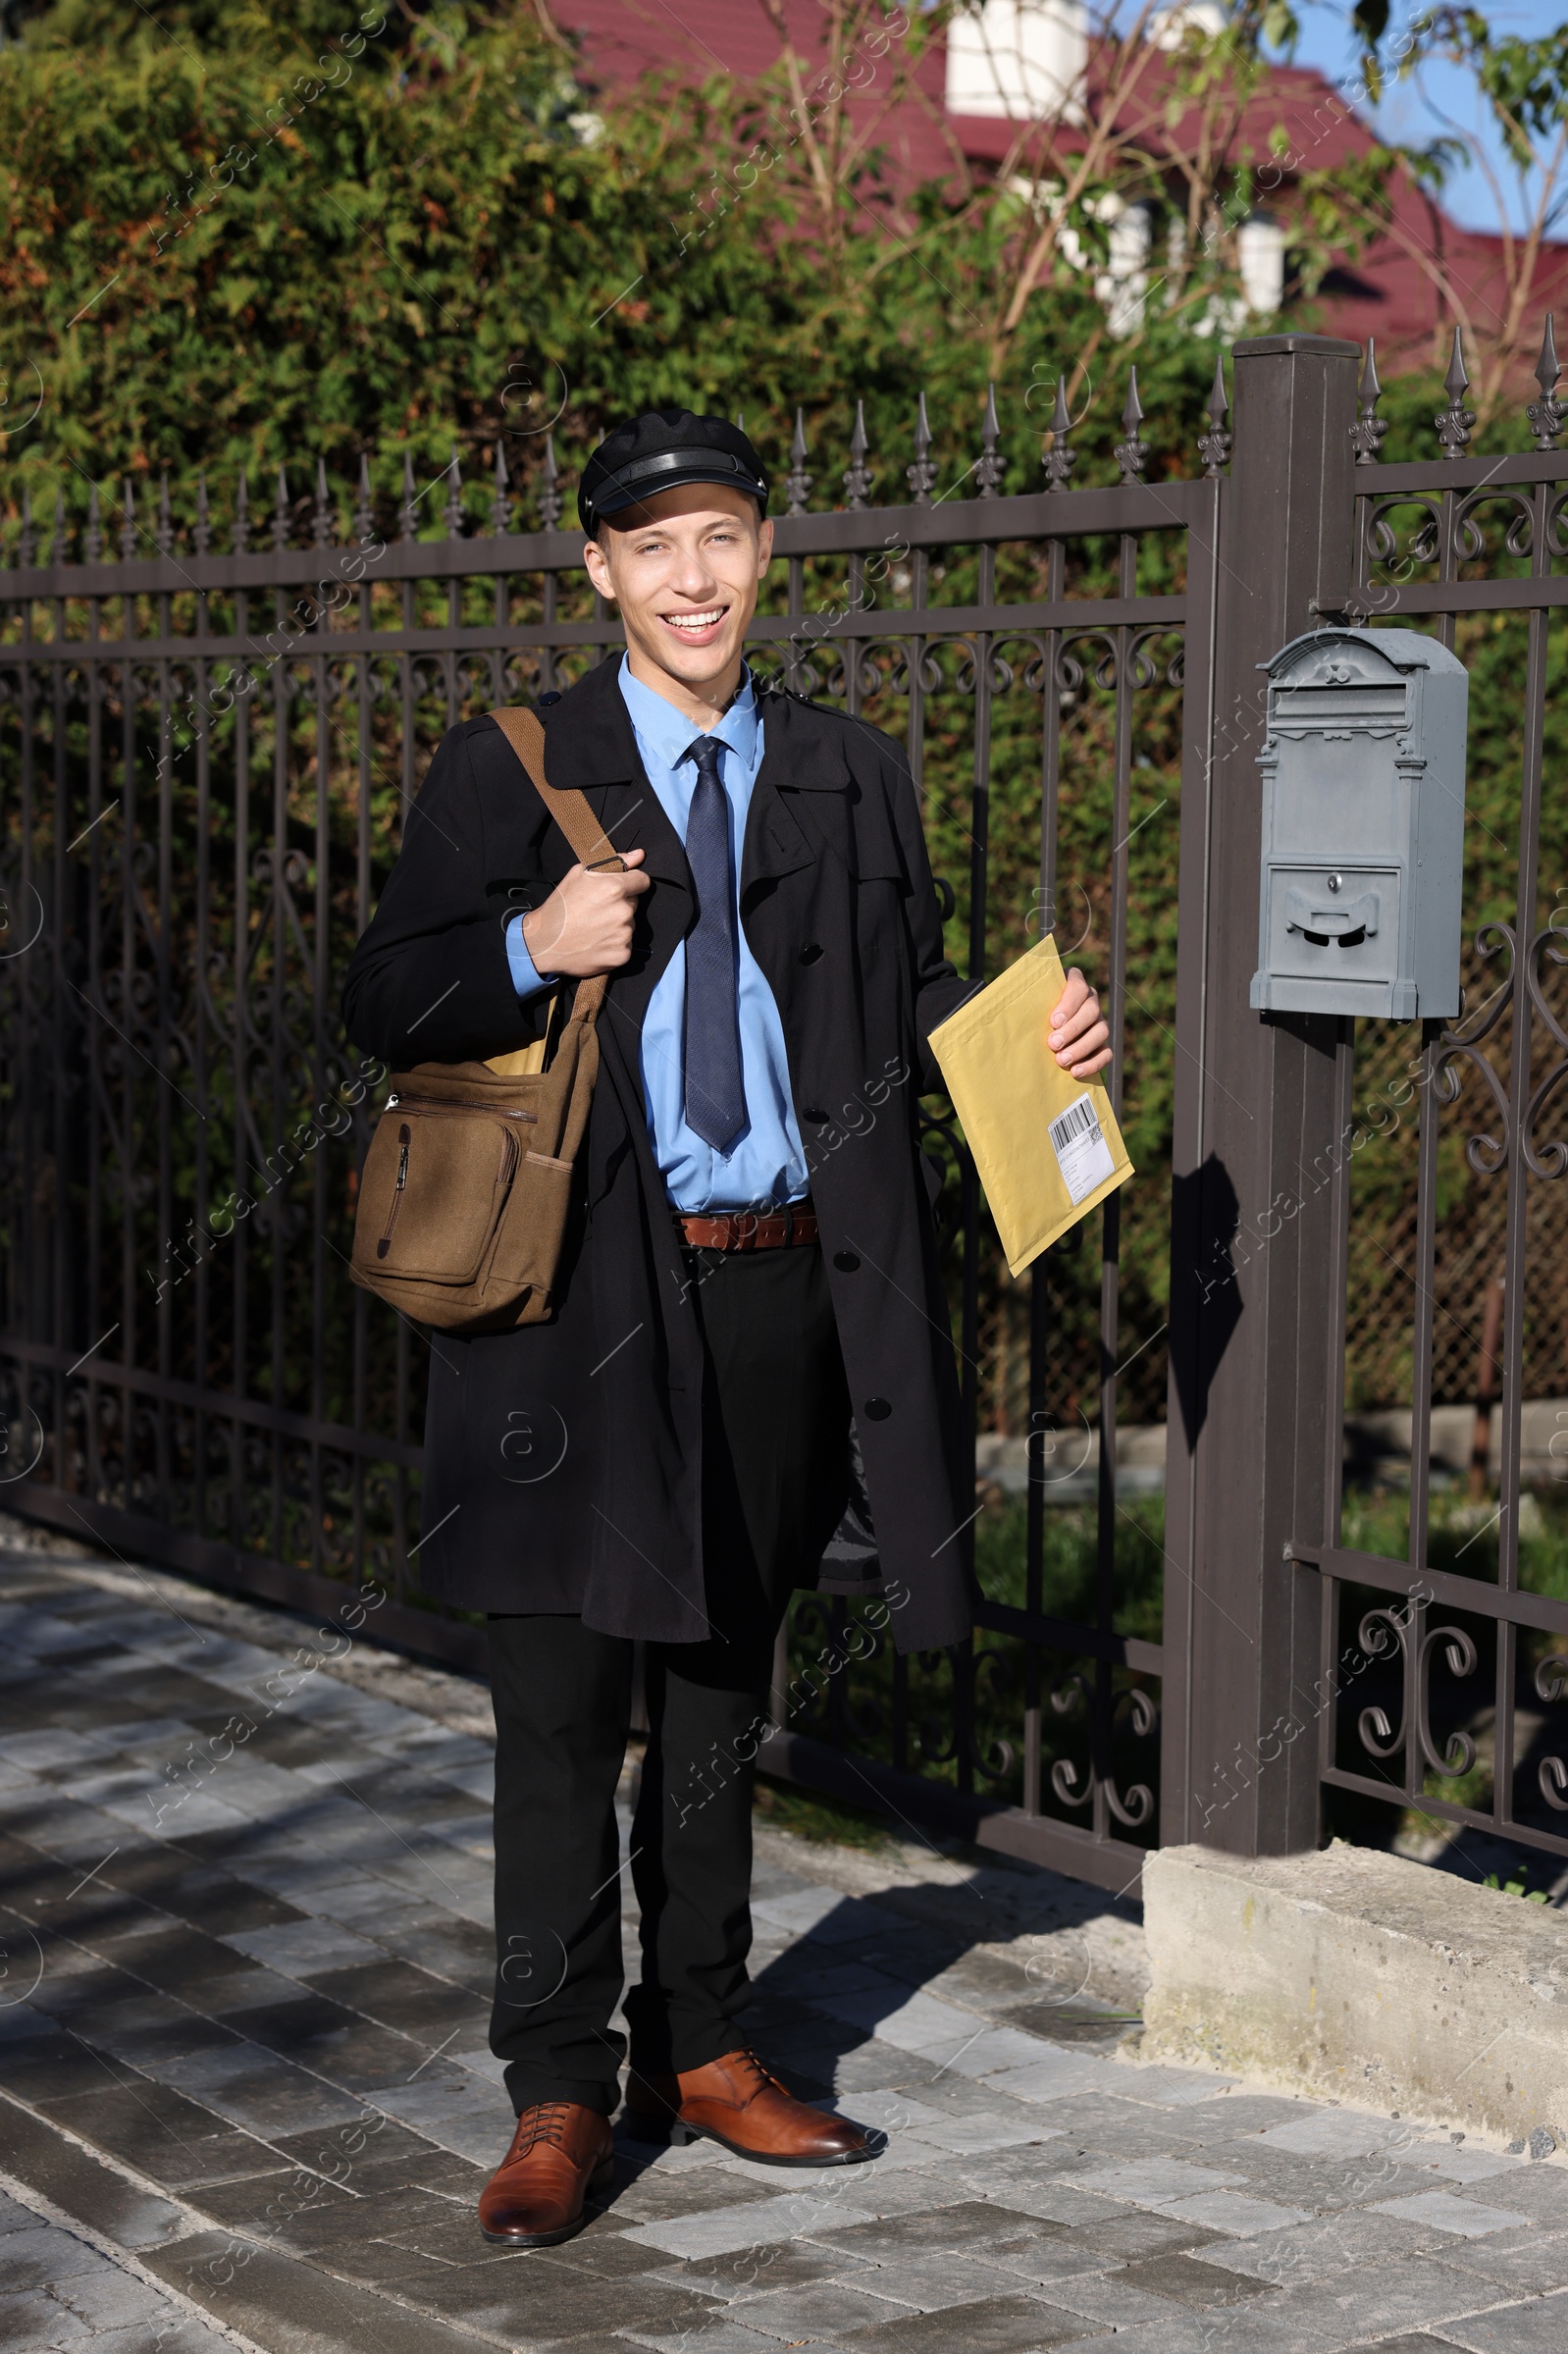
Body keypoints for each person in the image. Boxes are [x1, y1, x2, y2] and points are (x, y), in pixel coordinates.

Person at [341, 409, 1110, 2250]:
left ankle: (702, 2042)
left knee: (714, 1699)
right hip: (570, 1298)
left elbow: (902, 986)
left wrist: (1031, 1039)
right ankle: (553, 2089)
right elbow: (377, 992)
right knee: (555, 1704)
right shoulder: (517, 763)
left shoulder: (848, 768)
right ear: (598, 571)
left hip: (777, 1288)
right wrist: (531, 944)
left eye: (727, 540)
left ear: (768, 559)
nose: (696, 578)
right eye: (655, 546)